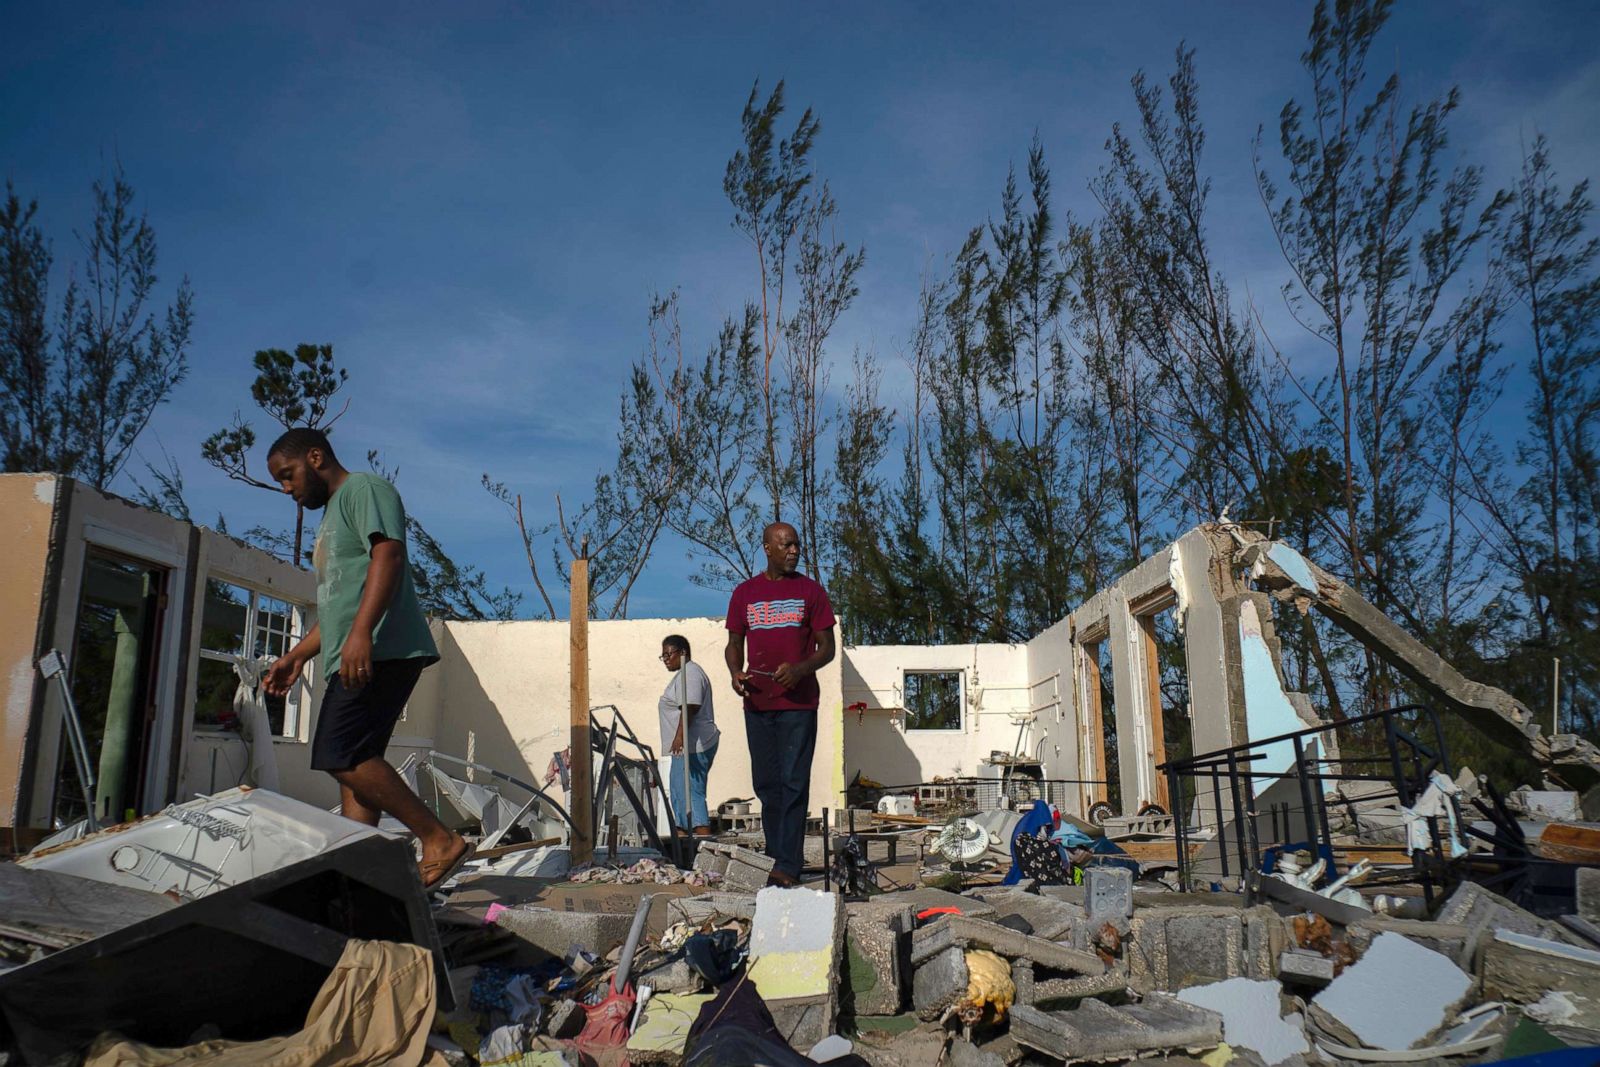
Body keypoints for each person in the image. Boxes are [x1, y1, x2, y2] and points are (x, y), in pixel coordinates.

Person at [261, 428, 471, 889]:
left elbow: (389, 554)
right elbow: (340, 604)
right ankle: (359, 871)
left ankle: (439, 839)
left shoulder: (365, 490)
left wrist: (361, 634)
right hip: (355, 652)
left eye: (288, 475)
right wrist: (297, 655)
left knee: (340, 753)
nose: (286, 489)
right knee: (359, 765)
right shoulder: (332, 516)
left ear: (315, 457)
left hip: (384, 648)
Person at [725, 521, 836, 886]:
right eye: (786, 545)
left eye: (796, 545)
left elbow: (827, 648)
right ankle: (776, 859)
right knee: (767, 784)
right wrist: (734, 671)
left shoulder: (811, 591)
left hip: (798, 705)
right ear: (767, 548)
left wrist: (802, 669)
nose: (793, 551)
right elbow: (733, 643)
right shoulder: (745, 593)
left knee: (793, 782)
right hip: (757, 704)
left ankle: (788, 863)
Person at [657, 634, 719, 836]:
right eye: (663, 655)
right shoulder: (682, 674)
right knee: (680, 796)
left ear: (683, 653)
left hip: (692, 746)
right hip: (683, 749)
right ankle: (683, 850)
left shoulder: (690, 673)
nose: (666, 659)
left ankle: (703, 848)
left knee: (691, 795)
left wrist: (679, 737)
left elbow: (690, 706)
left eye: (669, 654)